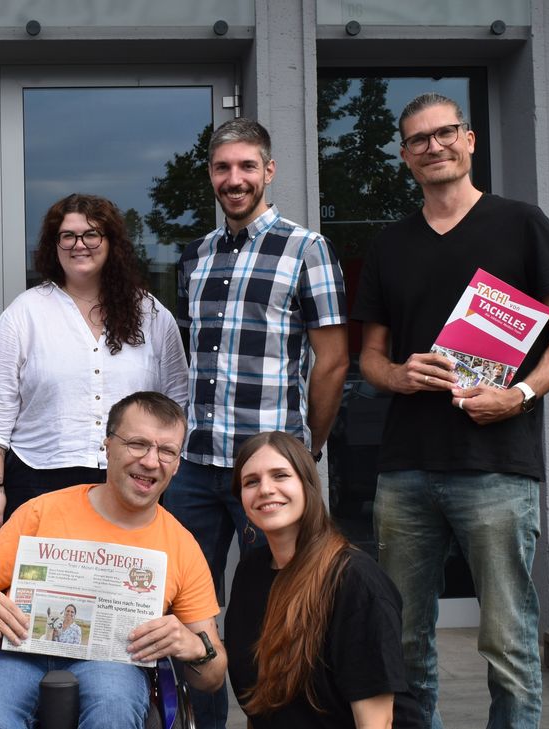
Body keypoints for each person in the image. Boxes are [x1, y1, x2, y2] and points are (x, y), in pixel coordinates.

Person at [352, 92, 549, 728]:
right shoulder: (390, 243)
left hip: (497, 465)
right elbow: (368, 356)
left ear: (470, 139)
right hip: (405, 469)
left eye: (444, 133)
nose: (434, 146)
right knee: (401, 640)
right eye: (418, 139)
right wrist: (397, 374)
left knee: (508, 642)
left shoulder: (521, 222)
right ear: (404, 156)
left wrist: (521, 393)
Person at [162, 118, 349, 728]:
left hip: (264, 469)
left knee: (283, 605)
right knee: (192, 609)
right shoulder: (196, 255)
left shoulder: (306, 248)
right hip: (195, 466)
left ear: (269, 171)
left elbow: (333, 359)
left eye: (247, 167)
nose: (234, 179)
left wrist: (307, 447)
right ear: (211, 176)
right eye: (223, 168)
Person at [0, 391, 227, 729]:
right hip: (19, 653)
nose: (151, 461)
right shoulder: (44, 511)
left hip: (114, 663)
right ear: (107, 445)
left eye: (166, 451)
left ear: (177, 465)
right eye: (137, 444)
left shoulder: (181, 545)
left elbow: (213, 675)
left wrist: (194, 648)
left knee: (114, 706)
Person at [0, 193, 188, 527]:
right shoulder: (24, 313)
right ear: (54, 245)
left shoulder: (152, 315)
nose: (79, 244)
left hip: (132, 482)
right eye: (68, 235)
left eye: (91, 234)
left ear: (111, 242)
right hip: (38, 482)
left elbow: (177, 401)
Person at [224, 432, 420, 729]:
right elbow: (261, 708)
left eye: (280, 475)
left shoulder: (354, 580)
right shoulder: (249, 573)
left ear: (308, 485)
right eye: (251, 481)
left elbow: (377, 723)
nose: (265, 489)